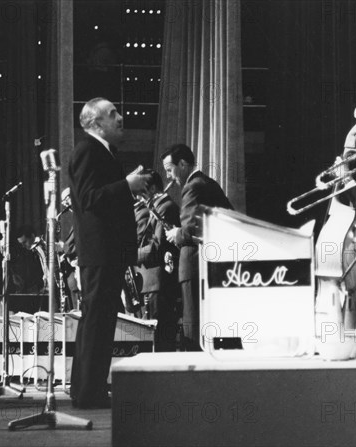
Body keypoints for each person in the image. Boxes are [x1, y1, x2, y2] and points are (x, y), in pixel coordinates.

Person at [68, 97, 151, 409]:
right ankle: (88, 392)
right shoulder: (88, 150)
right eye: (113, 113)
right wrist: (126, 185)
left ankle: (87, 389)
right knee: (97, 321)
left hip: (106, 252)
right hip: (100, 252)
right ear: (95, 122)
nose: (121, 117)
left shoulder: (101, 152)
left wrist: (127, 186)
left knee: (99, 321)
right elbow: (89, 199)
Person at [162, 144, 233, 351]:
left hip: (195, 263)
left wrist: (177, 233)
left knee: (193, 326)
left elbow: (191, 228)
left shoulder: (192, 185)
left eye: (169, 169)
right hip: (208, 261)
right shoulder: (206, 183)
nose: (168, 177)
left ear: (183, 164)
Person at [134, 169, 181, 351]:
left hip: (159, 283)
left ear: (152, 188)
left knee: (160, 340)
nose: (137, 197)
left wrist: (129, 255)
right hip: (151, 282)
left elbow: (156, 248)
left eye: (140, 191)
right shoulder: (155, 208)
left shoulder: (165, 207)